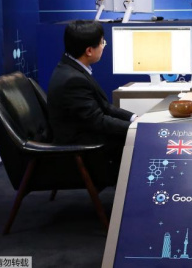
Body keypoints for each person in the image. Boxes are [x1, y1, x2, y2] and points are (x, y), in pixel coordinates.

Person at [47, 20, 136, 181]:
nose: (103, 46)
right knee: (137, 142)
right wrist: (135, 129)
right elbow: (98, 121)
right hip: (81, 146)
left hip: (85, 133)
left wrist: (134, 119)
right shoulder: (72, 80)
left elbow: (104, 107)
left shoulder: (72, 68)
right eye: (102, 42)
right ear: (89, 50)